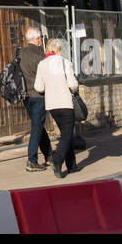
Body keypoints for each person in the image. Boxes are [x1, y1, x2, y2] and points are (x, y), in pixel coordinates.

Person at [34, 38, 80, 179]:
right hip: (65, 102)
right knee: (67, 135)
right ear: (58, 49)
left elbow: (39, 87)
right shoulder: (65, 63)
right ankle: (57, 159)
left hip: (52, 105)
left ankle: (71, 165)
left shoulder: (42, 64)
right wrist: (74, 87)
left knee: (66, 133)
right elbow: (72, 84)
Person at [16, 27, 52, 173]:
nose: (41, 40)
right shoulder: (40, 55)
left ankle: (49, 154)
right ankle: (32, 160)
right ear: (37, 39)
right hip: (38, 95)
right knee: (37, 127)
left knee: (38, 125)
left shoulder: (20, 53)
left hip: (26, 96)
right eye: (41, 38)